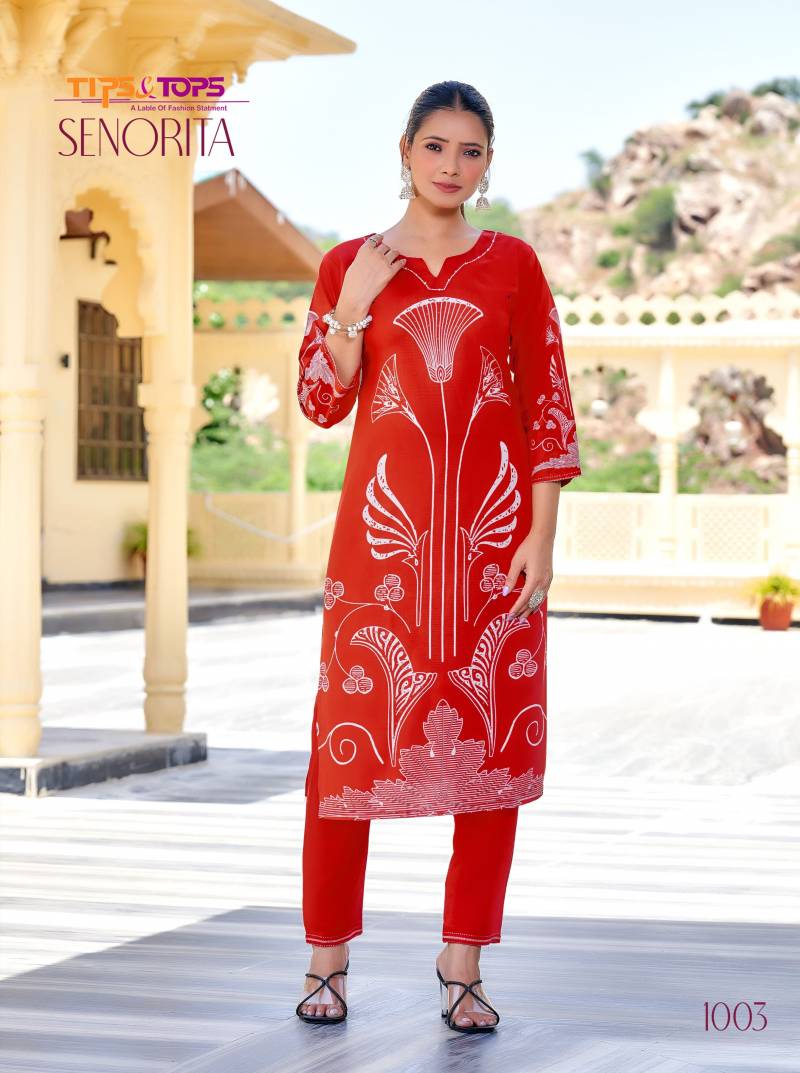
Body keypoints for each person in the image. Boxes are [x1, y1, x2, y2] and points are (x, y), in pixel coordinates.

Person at [294, 80, 582, 1033]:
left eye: (471, 150)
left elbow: (546, 402)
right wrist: (352, 308)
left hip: (495, 547)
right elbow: (323, 402)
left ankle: (463, 959)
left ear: (488, 163)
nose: (451, 166)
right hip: (383, 550)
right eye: (436, 146)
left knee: (491, 750)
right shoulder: (349, 264)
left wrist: (541, 534)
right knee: (347, 754)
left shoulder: (514, 265)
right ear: (405, 150)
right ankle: (327, 956)